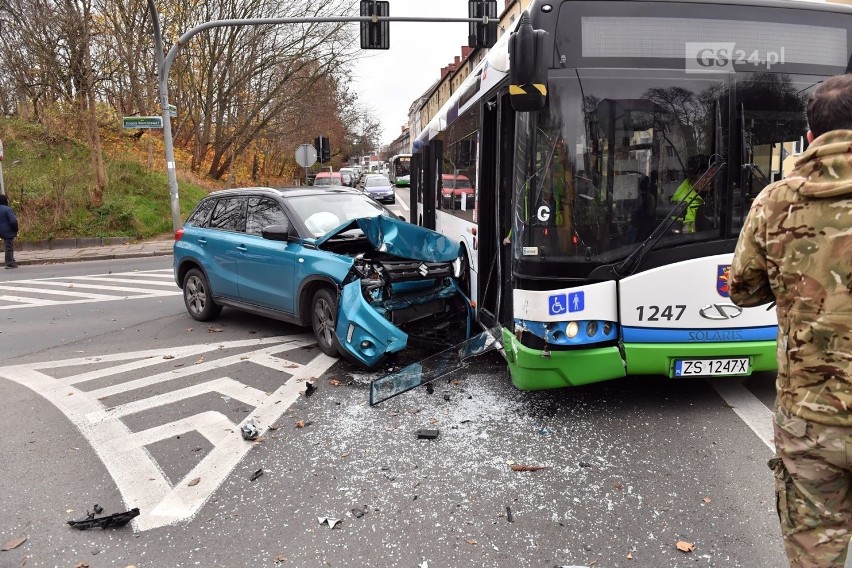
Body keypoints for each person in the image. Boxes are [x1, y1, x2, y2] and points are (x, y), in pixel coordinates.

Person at [729, 74, 852, 568]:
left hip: (811, 417)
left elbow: (742, 289)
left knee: (814, 554)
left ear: (809, 135)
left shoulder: (774, 203)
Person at [670, 154, 709, 233]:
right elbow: (687, 231)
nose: (711, 180)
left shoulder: (705, 189)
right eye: (707, 176)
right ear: (696, 176)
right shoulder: (682, 200)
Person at [0, 194, 18, 269]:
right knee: (9, 246)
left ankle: (11, 259)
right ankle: (9, 263)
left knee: (7, 246)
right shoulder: (8, 209)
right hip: (7, 230)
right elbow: (13, 221)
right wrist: (16, 229)